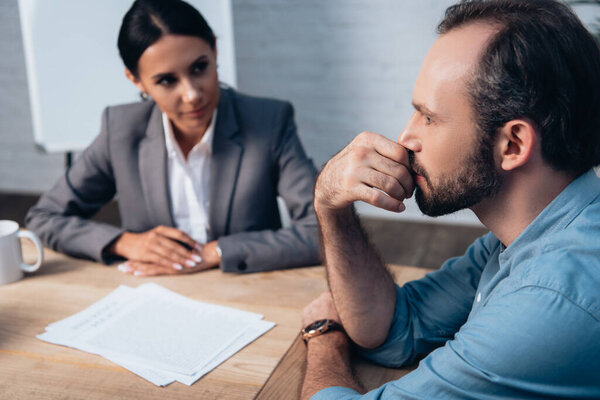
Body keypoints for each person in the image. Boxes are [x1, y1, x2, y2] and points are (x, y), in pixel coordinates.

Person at [301, 0, 600, 398]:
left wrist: (323, 338)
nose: (406, 138)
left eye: (428, 117)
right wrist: (330, 204)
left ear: (512, 144)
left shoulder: (548, 298)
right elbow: (393, 330)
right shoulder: (521, 238)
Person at [26, 0, 320, 276]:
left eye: (199, 67)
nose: (192, 94)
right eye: (167, 80)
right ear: (136, 80)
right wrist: (126, 243)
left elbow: (321, 230)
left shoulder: (269, 121)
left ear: (215, 50)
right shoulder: (120, 130)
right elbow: (44, 218)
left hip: (247, 289)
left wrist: (215, 252)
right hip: (154, 293)